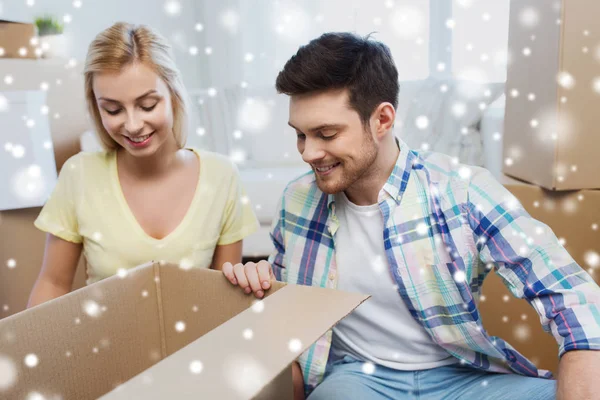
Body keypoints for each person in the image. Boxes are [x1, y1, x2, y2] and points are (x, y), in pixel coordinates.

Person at [222, 32, 600, 400]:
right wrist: (259, 289)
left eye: (326, 133)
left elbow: (569, 293)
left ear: (382, 120)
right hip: (357, 378)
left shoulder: (463, 190)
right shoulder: (296, 200)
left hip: (461, 378)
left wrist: (582, 355)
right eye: (301, 135)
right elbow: (288, 315)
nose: (308, 153)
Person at [28, 22, 258, 307]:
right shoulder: (79, 175)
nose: (133, 125)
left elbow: (224, 297)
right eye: (112, 109)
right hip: (106, 345)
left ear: (174, 95)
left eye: (147, 105)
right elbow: (53, 283)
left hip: (195, 345)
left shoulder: (222, 176)